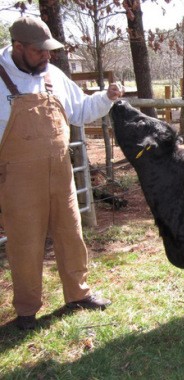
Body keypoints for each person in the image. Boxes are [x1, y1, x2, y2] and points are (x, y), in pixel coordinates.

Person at [0, 16, 124, 330]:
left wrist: (106, 98)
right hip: (17, 179)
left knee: (71, 235)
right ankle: (27, 311)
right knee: (24, 244)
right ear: (18, 47)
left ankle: (78, 294)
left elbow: (81, 110)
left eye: (49, 51)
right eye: (39, 52)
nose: (47, 56)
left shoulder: (52, 75)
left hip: (61, 174)